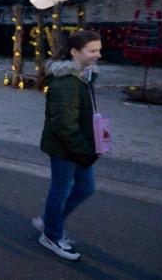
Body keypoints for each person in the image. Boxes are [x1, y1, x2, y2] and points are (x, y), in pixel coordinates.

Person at [33, 30, 102, 261]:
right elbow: (64, 126)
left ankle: (49, 220)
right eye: (92, 51)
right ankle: (51, 235)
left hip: (79, 146)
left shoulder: (83, 76)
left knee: (86, 187)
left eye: (99, 50)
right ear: (74, 52)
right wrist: (86, 153)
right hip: (66, 148)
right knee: (61, 190)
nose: (98, 55)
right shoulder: (66, 82)